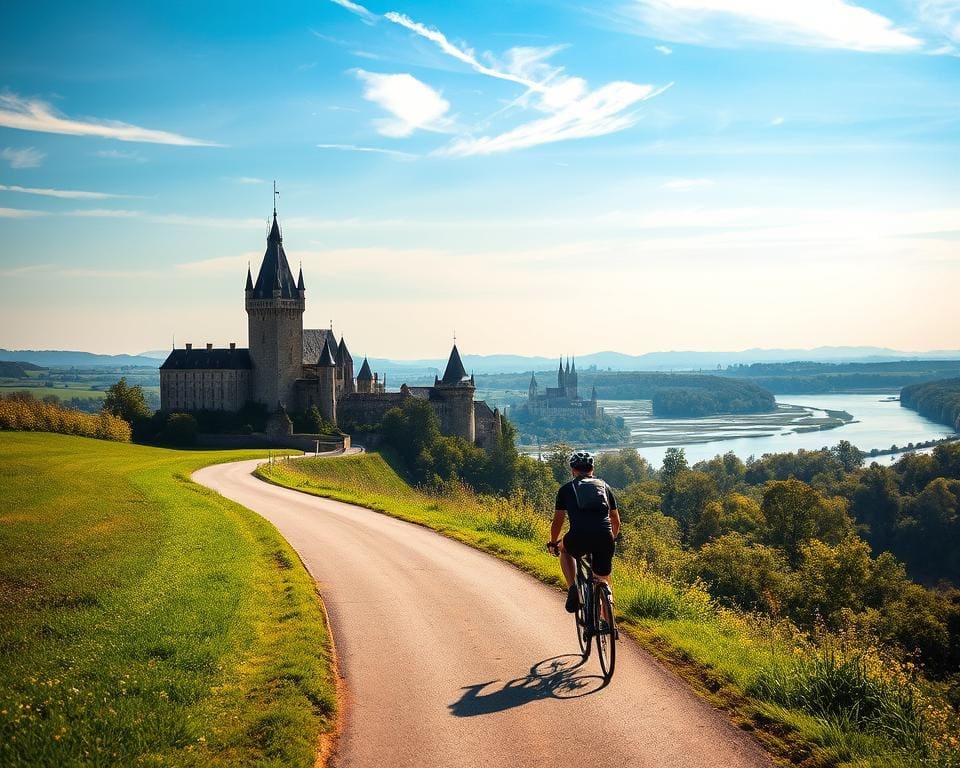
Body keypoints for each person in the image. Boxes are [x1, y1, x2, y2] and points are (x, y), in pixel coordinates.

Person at [547, 451, 621, 613]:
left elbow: (558, 521)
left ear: (573, 470)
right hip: (604, 538)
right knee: (602, 578)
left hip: (578, 537)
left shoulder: (566, 489)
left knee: (563, 548)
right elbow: (615, 519)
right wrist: (611, 538)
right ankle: (609, 622)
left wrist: (553, 542)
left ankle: (573, 588)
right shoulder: (604, 487)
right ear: (592, 469)